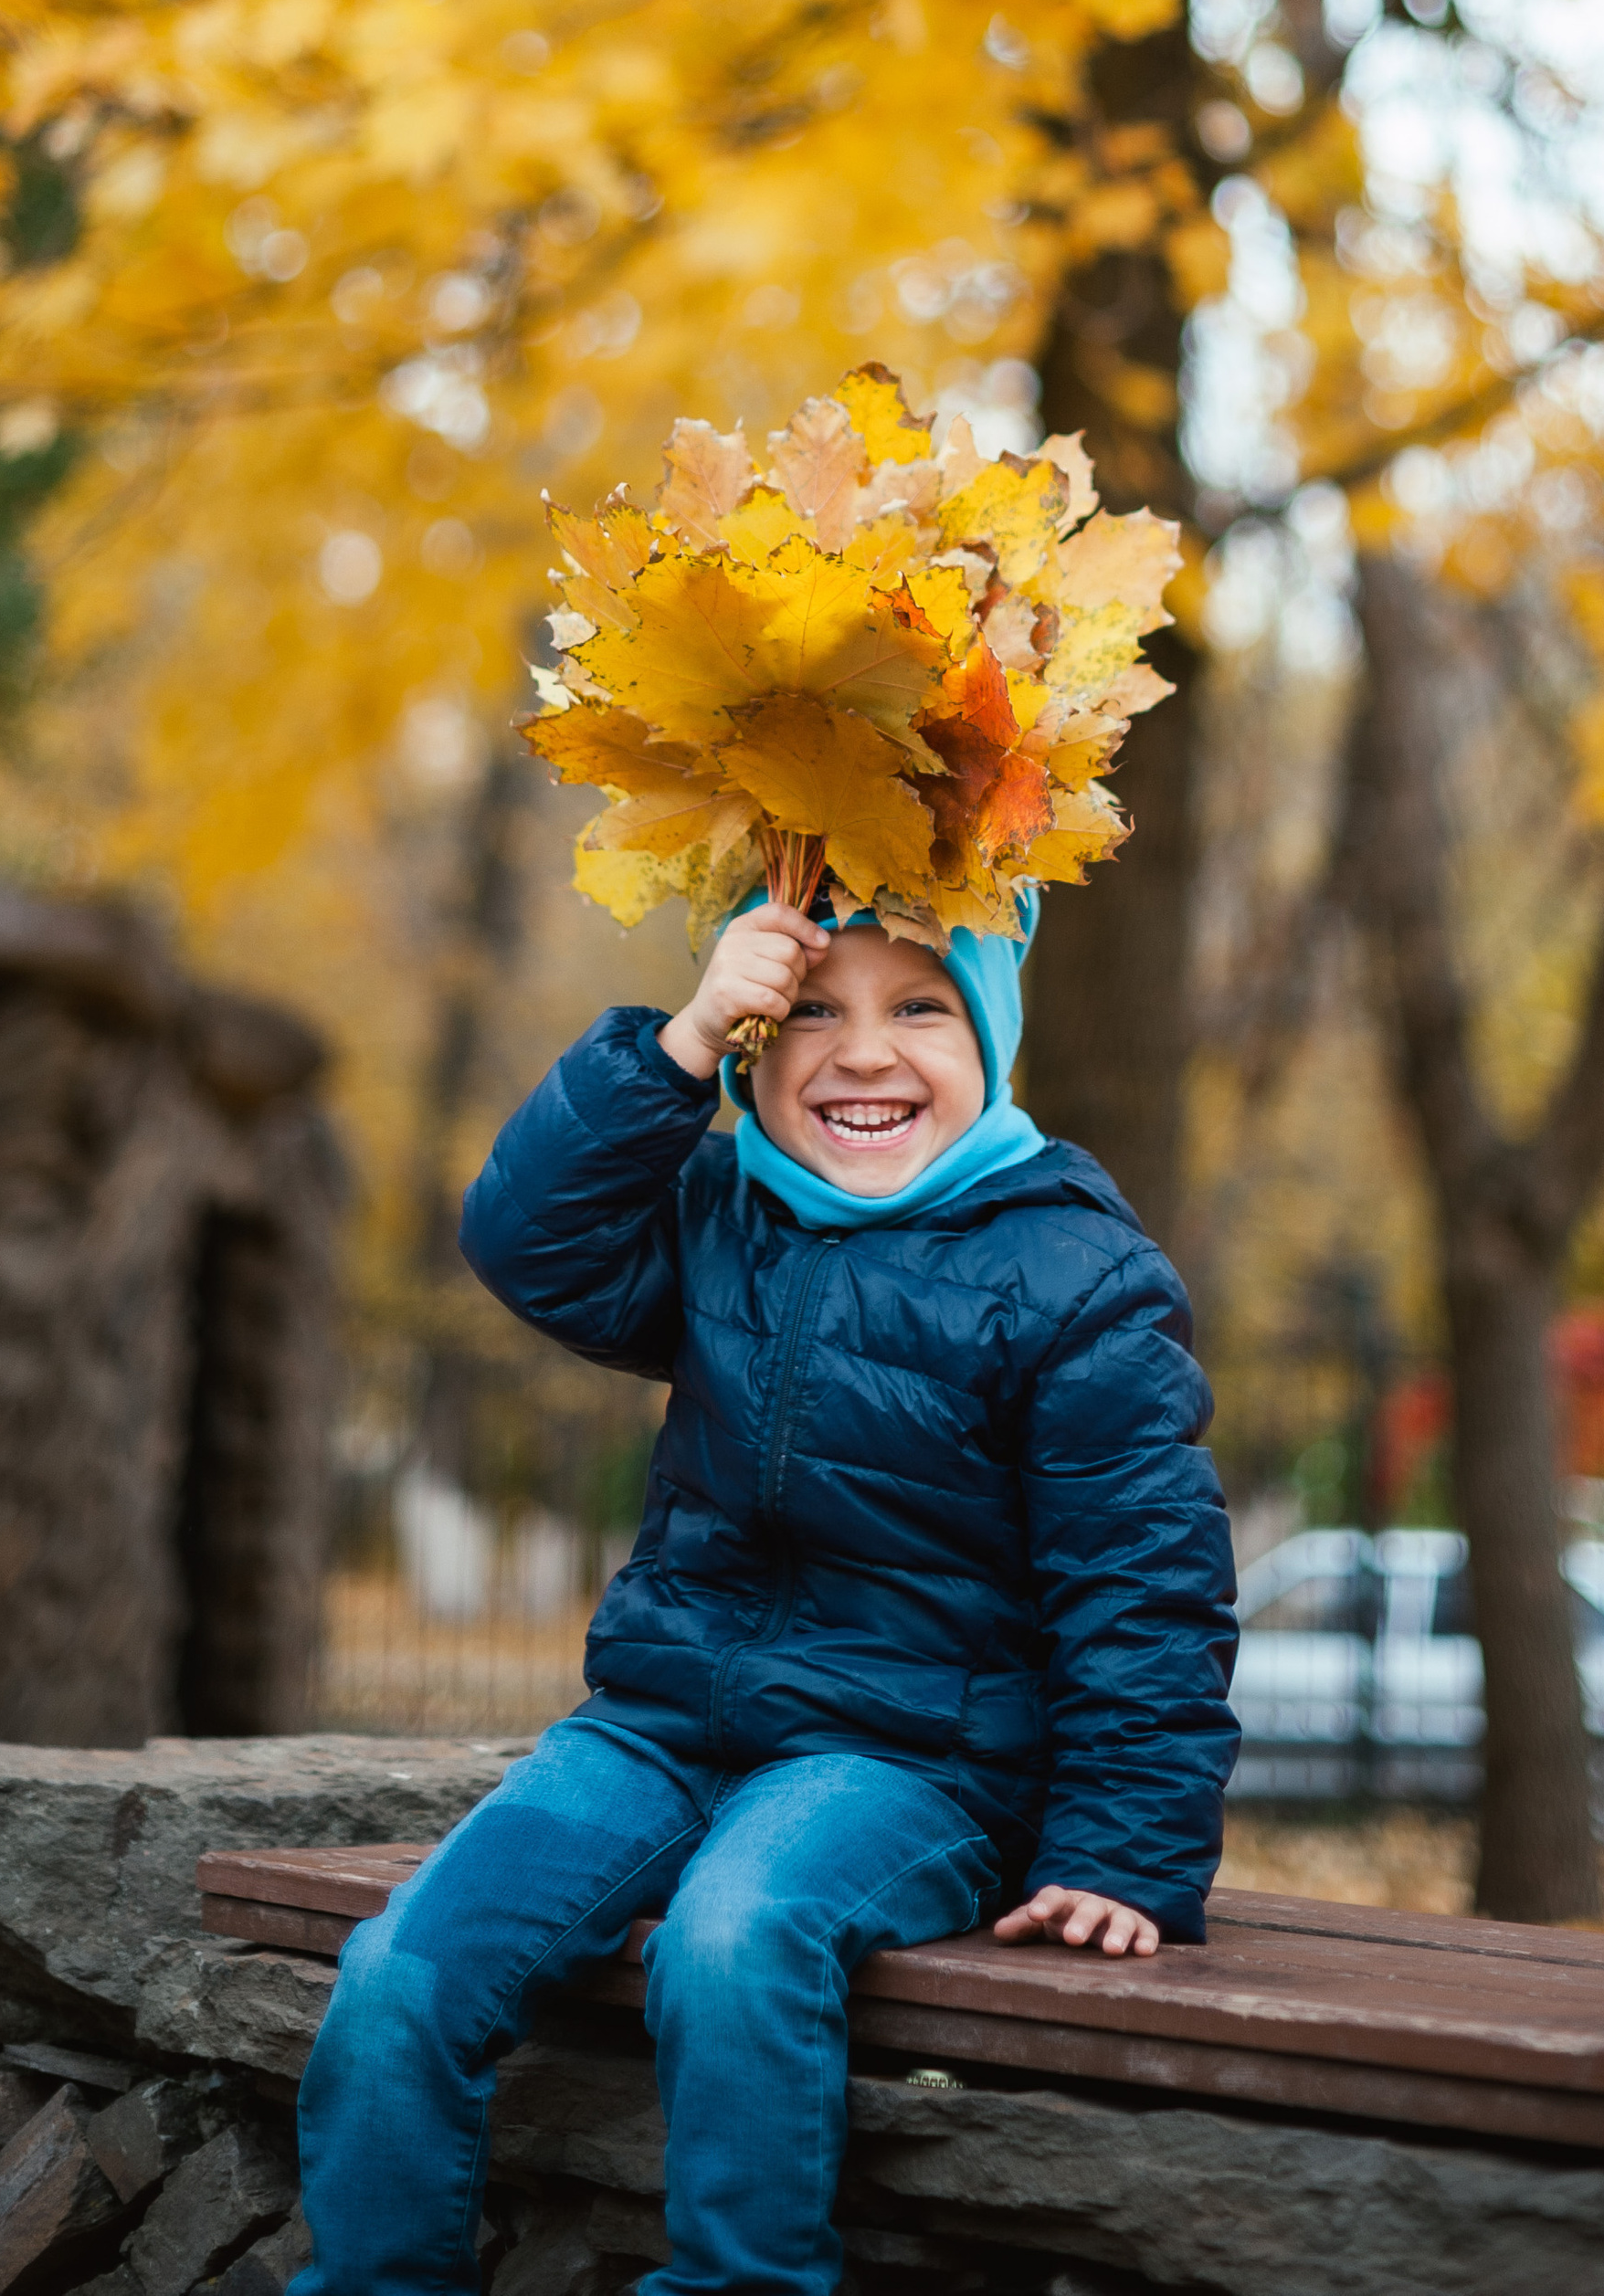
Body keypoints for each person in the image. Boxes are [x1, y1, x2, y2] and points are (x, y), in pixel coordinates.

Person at [292, 888, 1240, 2296]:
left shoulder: (1073, 1274)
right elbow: (523, 1242)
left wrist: (1122, 1852)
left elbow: (1144, 1585)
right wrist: (673, 1046)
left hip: (912, 1757)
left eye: (921, 1007)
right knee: (398, 1979)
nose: (864, 1053)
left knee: (733, 1940)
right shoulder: (721, 1207)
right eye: (809, 1010)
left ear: (993, 1034)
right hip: (664, 1728)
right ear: (752, 1047)